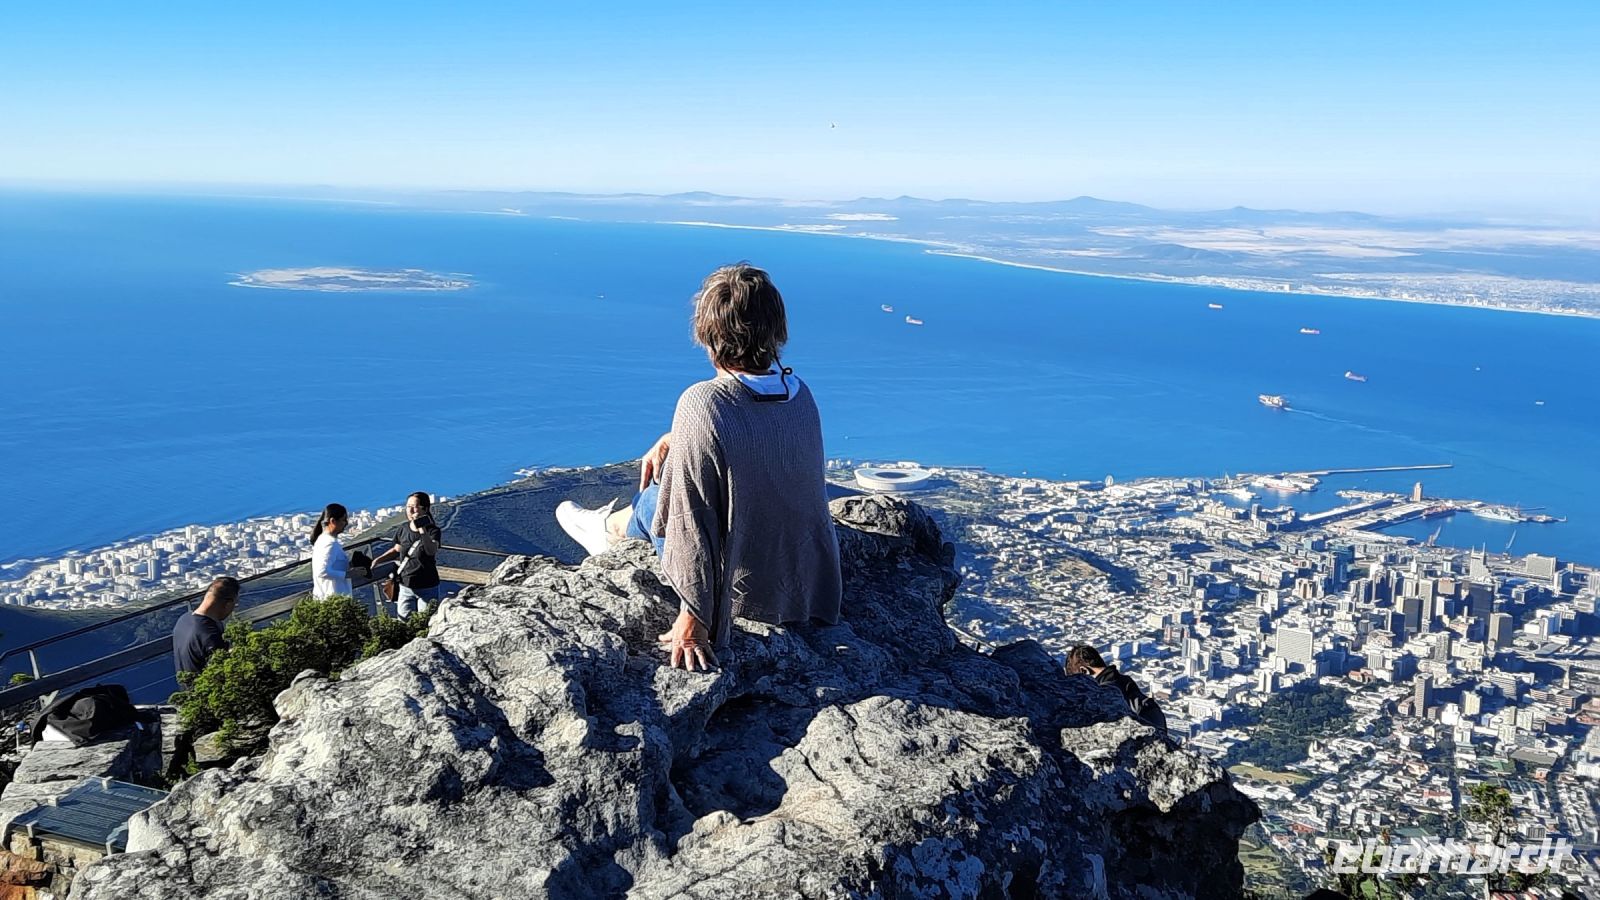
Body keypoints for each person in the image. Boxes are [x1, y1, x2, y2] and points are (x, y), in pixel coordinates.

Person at [555, 263, 842, 671]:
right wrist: (677, 437)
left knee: (657, 499)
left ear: (708, 332)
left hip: (745, 591)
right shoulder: (798, 394)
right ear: (776, 327)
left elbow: (690, 520)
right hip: (803, 582)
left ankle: (611, 530)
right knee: (670, 478)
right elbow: (760, 446)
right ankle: (614, 526)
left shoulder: (703, 402)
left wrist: (695, 617)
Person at [1065, 644, 1171, 739]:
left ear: (1084, 671)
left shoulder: (1103, 692)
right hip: (1158, 732)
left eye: (1079, 682)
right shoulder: (1124, 681)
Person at [370, 491, 443, 617]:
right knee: (403, 621)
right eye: (408, 506)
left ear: (424, 509)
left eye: (414, 507)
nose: (410, 510)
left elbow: (431, 550)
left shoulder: (433, 531)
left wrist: (422, 530)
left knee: (426, 622)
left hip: (427, 585)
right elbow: (397, 550)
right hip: (405, 585)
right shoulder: (403, 529)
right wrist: (378, 560)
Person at [172, 576, 240, 676]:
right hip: (209, 689)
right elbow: (226, 670)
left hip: (187, 687)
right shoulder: (210, 635)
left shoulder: (184, 619)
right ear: (228, 604)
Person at [310, 503, 353, 599]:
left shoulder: (323, 540)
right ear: (333, 521)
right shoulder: (329, 543)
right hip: (332, 597)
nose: (346, 523)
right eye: (343, 519)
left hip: (329, 597)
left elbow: (333, 565)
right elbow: (321, 571)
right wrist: (348, 574)